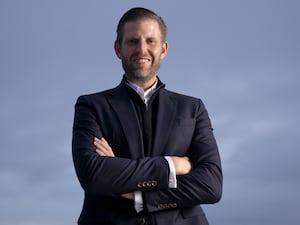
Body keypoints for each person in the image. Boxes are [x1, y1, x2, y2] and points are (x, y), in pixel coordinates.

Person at [72, 7, 222, 225]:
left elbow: (211, 185)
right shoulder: (91, 106)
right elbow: (94, 175)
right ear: (118, 49)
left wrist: (137, 194)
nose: (142, 49)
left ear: (164, 49)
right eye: (133, 41)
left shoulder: (193, 108)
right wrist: (172, 165)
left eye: (151, 41)